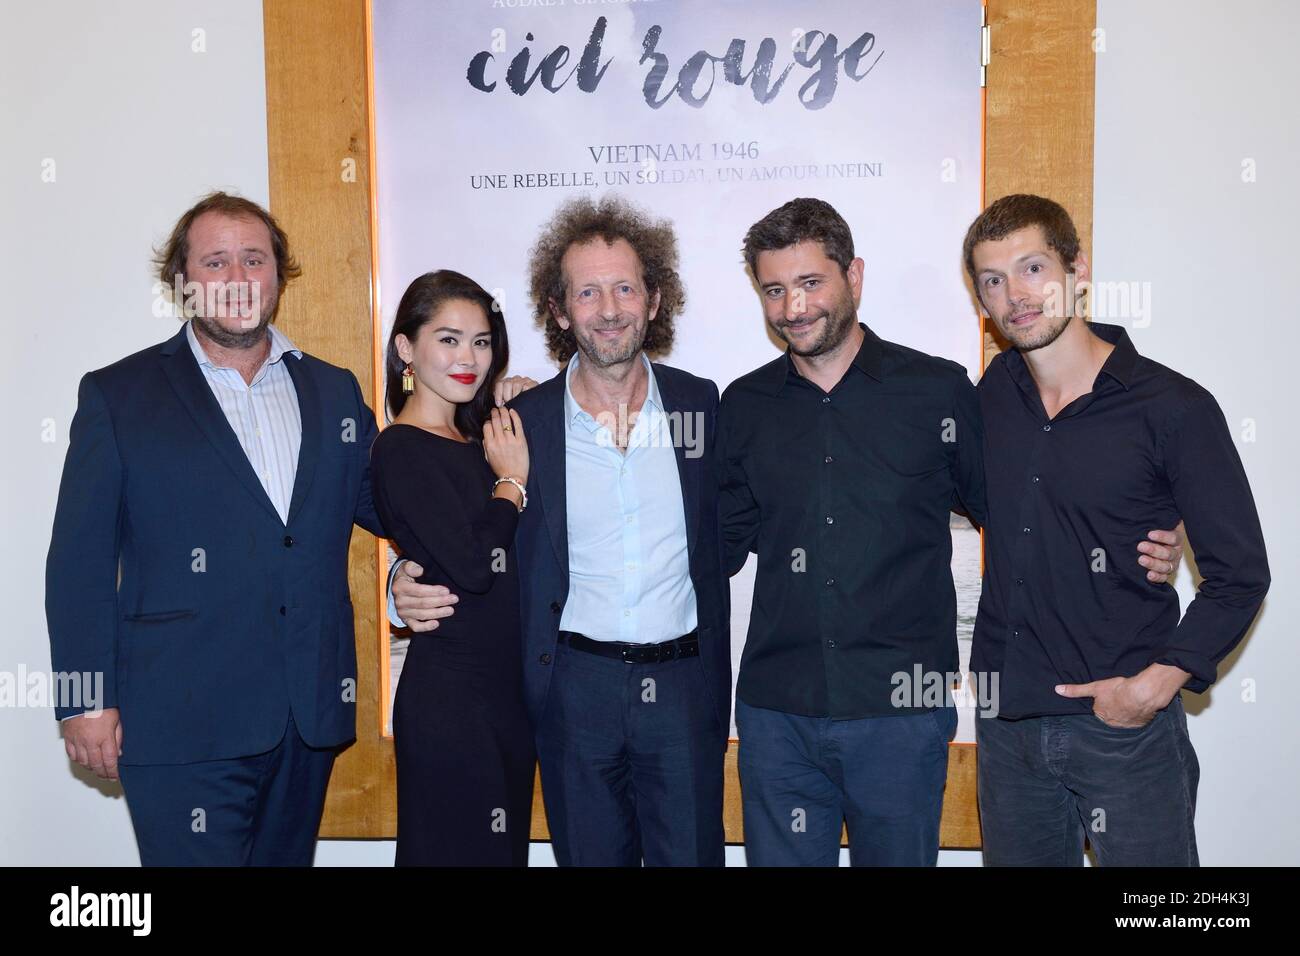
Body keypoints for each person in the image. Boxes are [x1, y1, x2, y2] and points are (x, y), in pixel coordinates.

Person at [719, 197, 1184, 866]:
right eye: (774, 289)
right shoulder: (742, 405)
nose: (794, 306)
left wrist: (1149, 524)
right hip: (776, 717)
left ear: (854, 276)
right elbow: (712, 543)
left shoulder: (939, 391)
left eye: (810, 282)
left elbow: (1022, 508)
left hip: (902, 714)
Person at [45, 191, 385, 865]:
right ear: (183, 281)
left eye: (254, 259)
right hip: (178, 723)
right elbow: (78, 563)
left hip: (304, 721)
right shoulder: (118, 396)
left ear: (278, 274)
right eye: (215, 261)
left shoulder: (334, 391)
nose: (237, 278)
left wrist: (487, 424)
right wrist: (83, 699)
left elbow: (390, 506)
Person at [393, 195, 731, 866]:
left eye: (625, 288)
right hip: (573, 691)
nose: (609, 309)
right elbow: (450, 519)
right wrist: (403, 575)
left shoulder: (701, 403)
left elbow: (739, 524)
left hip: (683, 688)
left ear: (654, 299)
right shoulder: (522, 422)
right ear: (559, 310)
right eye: (587, 293)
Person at [965, 194, 1270, 866]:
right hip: (1008, 730)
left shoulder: (1174, 408)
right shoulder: (990, 397)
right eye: (993, 280)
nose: (1016, 295)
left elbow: (1241, 575)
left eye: (1033, 268)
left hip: (1124, 732)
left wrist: (1152, 687)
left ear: (1078, 269)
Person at [370, 270, 535, 866]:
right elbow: (474, 564)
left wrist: (526, 407)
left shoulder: (485, 439)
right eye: (448, 339)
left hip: (509, 698)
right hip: (452, 702)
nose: (468, 358)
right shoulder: (400, 447)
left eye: (481, 341)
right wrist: (511, 482)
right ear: (406, 348)